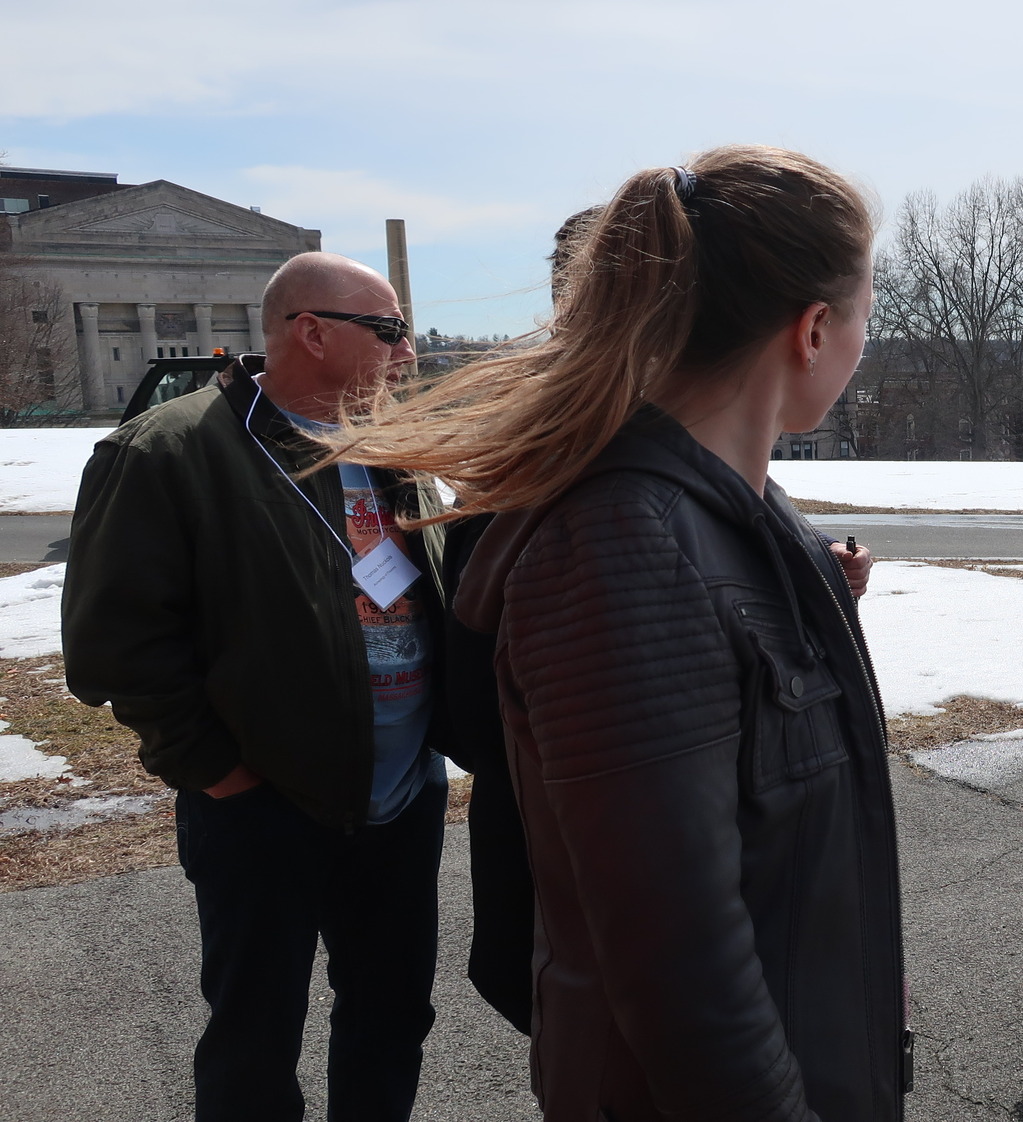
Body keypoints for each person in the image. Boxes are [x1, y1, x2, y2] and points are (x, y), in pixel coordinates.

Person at [317, 147, 907, 1121]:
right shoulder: (626, 547)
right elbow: (681, 966)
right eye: (864, 318)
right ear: (811, 331)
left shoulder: (738, 515)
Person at [444, 203, 878, 1037]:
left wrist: (809, 580)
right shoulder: (599, 496)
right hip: (596, 941)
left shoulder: (684, 446)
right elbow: (677, 965)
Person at [63, 252, 450, 1119]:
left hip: (399, 798)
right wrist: (219, 775)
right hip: (262, 802)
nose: (407, 354)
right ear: (309, 332)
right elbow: (114, 646)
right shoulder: (170, 451)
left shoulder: (391, 446)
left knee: (392, 1015)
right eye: (389, 331)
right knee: (255, 1031)